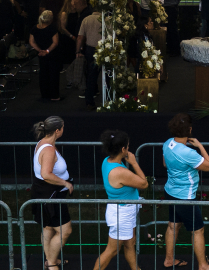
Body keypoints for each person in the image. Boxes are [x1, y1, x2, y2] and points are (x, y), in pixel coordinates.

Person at [162, 113, 209, 270]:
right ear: (189, 130)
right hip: (185, 197)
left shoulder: (168, 143)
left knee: (173, 226)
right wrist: (200, 146)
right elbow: (208, 166)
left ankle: (169, 260)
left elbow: (164, 163)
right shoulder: (188, 153)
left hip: (170, 192)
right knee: (198, 230)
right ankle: (203, 265)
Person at [93, 130, 148, 270]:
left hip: (124, 211)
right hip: (121, 214)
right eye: (128, 147)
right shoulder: (120, 171)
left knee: (130, 244)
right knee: (112, 250)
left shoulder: (107, 161)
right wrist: (134, 163)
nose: (128, 149)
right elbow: (144, 184)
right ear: (123, 149)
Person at [31, 116, 73, 270]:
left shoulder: (44, 143)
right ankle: (52, 264)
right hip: (51, 197)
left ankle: (50, 260)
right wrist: (65, 183)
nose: (63, 130)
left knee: (48, 228)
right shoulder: (48, 149)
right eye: (62, 127)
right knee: (65, 231)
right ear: (57, 130)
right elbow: (46, 174)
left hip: (46, 194)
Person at [29, 10, 61, 101]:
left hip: (40, 54)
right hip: (52, 54)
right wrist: (47, 51)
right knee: (53, 74)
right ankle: (54, 95)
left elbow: (31, 41)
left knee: (43, 73)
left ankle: (45, 94)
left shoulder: (35, 28)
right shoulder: (52, 28)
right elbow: (55, 42)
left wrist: (39, 50)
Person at [76, 7, 101, 110]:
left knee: (91, 76)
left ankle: (89, 101)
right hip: (104, 48)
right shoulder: (107, 19)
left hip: (90, 50)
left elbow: (80, 37)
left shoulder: (86, 19)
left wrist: (78, 51)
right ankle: (109, 99)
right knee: (108, 75)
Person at [58, 0, 78, 68]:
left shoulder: (77, 13)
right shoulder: (65, 13)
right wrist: (71, 36)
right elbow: (63, 28)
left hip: (75, 36)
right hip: (68, 37)